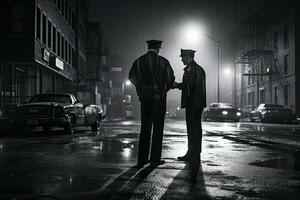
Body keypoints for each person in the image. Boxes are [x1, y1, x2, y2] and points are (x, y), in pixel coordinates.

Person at [129, 40, 175, 168]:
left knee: (145, 128)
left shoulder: (139, 61)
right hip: (159, 99)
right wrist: (164, 89)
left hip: (145, 98)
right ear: (158, 48)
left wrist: (141, 89)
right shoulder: (163, 62)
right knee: (158, 129)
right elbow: (171, 79)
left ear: (148, 48)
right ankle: (155, 159)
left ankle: (142, 159)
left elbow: (132, 77)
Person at [173, 49, 206, 180]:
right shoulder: (195, 69)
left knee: (194, 129)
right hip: (195, 103)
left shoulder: (192, 69)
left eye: (183, 57)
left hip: (194, 103)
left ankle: (194, 154)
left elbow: (190, 86)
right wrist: (179, 85)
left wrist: (177, 85)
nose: (181, 59)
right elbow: (190, 85)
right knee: (193, 129)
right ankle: (192, 152)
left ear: (188, 57)